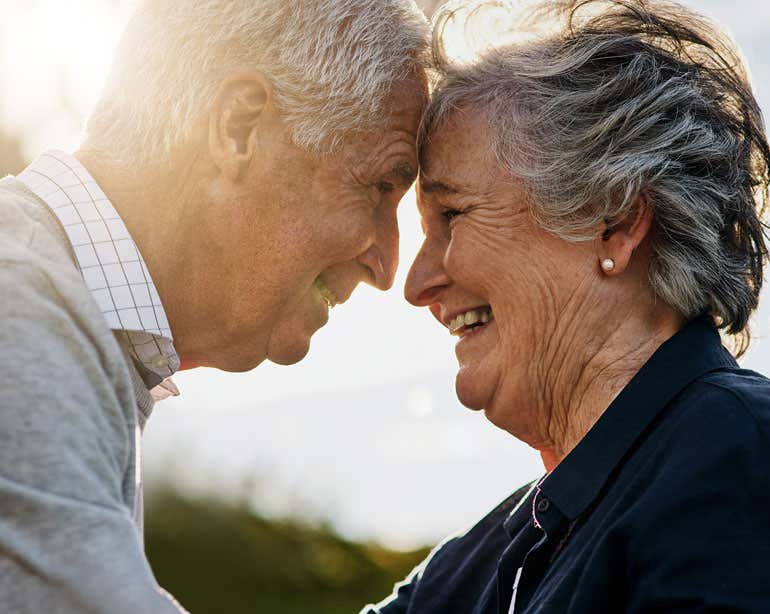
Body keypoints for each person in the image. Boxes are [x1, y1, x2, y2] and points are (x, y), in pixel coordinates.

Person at [0, 1, 429, 611]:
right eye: (383, 184)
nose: (387, 266)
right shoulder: (17, 305)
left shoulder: (64, 316)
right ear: (238, 127)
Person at [365, 0, 770, 612]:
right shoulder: (492, 556)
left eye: (451, 215)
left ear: (615, 222)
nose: (416, 284)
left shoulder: (738, 458)